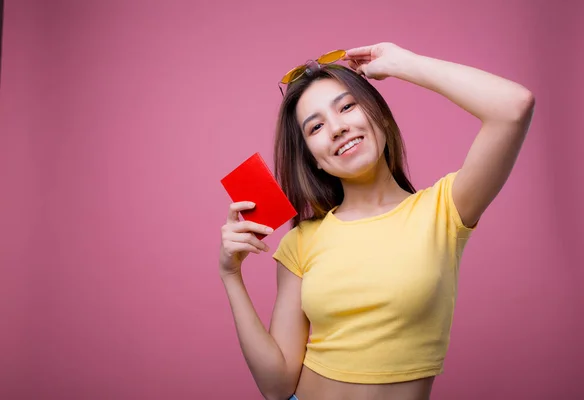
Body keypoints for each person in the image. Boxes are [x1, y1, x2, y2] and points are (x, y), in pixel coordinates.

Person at [219, 42, 535, 400]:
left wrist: (405, 63)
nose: (337, 128)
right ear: (314, 160)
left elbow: (513, 107)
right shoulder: (302, 240)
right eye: (316, 126)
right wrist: (231, 276)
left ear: (380, 114)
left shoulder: (443, 210)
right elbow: (276, 388)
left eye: (347, 107)